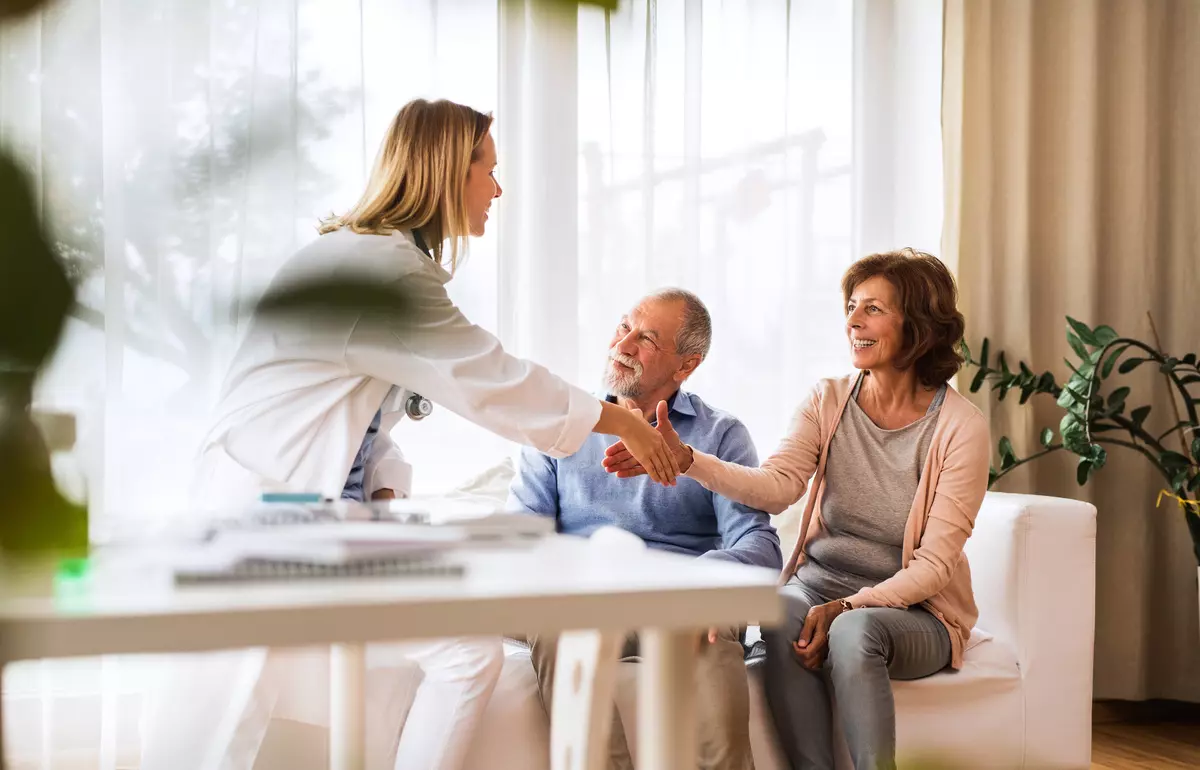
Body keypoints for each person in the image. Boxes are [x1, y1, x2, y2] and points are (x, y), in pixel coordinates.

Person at [141, 98, 679, 770]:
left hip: (301, 512)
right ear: (449, 172)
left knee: (459, 652)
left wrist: (384, 492)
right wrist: (620, 418)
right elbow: (494, 379)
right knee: (232, 719)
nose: (497, 189)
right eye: (489, 170)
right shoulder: (379, 271)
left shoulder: (369, 263)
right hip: (271, 512)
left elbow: (353, 416)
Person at [602, 249, 991, 770]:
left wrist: (851, 607)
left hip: (916, 613)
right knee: (781, 610)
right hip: (820, 587)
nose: (853, 320)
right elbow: (778, 486)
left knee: (855, 632)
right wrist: (688, 460)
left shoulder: (961, 428)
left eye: (873, 308)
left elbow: (934, 566)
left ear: (918, 323)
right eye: (851, 306)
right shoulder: (827, 399)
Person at [508, 288, 781, 770]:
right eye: (623, 326)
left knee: (716, 642)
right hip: (585, 600)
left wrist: (700, 584)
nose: (625, 343)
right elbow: (522, 539)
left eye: (647, 338)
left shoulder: (720, 434)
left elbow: (758, 544)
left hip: (680, 600)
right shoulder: (562, 427)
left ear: (685, 366)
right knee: (551, 623)